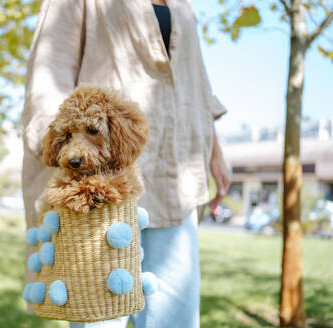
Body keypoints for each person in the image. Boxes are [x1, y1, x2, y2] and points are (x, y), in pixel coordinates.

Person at [21, 0, 231, 327]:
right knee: (99, 313)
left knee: (177, 319)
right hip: (101, 188)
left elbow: (196, 78)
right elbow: (48, 78)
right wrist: (71, 160)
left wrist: (216, 151)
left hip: (176, 175)